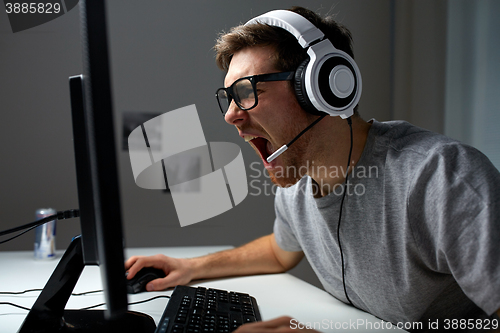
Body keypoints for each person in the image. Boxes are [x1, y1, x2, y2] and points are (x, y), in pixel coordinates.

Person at [126, 6, 500, 332]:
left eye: (246, 92)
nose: (230, 115)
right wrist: (188, 268)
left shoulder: (441, 177)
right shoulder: (297, 183)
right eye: (228, 98)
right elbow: (279, 251)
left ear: (323, 86)